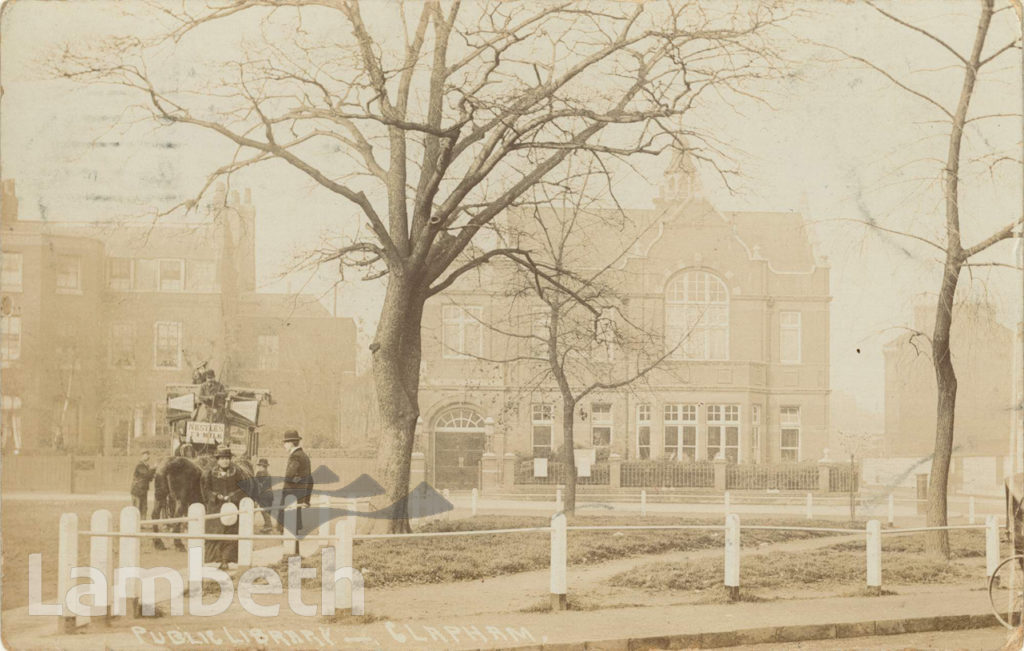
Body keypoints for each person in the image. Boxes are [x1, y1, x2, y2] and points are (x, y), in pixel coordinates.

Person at [200, 445, 244, 569]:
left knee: (230, 534)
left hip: (231, 509)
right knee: (215, 534)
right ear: (217, 460)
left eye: (227, 458)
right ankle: (214, 561)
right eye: (222, 458)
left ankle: (226, 560)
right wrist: (215, 496)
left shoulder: (237, 472)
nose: (225, 461)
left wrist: (233, 495)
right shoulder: (210, 473)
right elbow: (205, 489)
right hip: (215, 508)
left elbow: (243, 488)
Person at [281, 430, 312, 533]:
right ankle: (295, 549)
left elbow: (289, 476)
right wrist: (306, 500)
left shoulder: (295, 456)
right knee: (294, 530)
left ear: (291, 443)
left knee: (288, 530)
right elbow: (310, 480)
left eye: (285, 442)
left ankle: (292, 549)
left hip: (290, 498)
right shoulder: (305, 456)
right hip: (299, 498)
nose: (284, 445)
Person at [130, 451, 156, 516]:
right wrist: (154, 469)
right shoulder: (139, 465)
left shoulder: (147, 466)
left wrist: (153, 473)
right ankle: (135, 524)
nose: (147, 456)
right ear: (142, 456)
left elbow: (150, 478)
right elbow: (146, 475)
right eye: (145, 455)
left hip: (144, 490)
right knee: (137, 508)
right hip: (137, 490)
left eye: (148, 455)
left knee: (144, 508)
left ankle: (142, 524)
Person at [254, 458, 274, 532]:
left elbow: (256, 485)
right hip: (270, 494)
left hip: (264, 495)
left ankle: (268, 526)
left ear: (263, 466)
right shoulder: (268, 473)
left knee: (264, 510)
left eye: (260, 466)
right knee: (267, 510)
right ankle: (267, 525)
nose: (259, 467)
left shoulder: (260, 473)